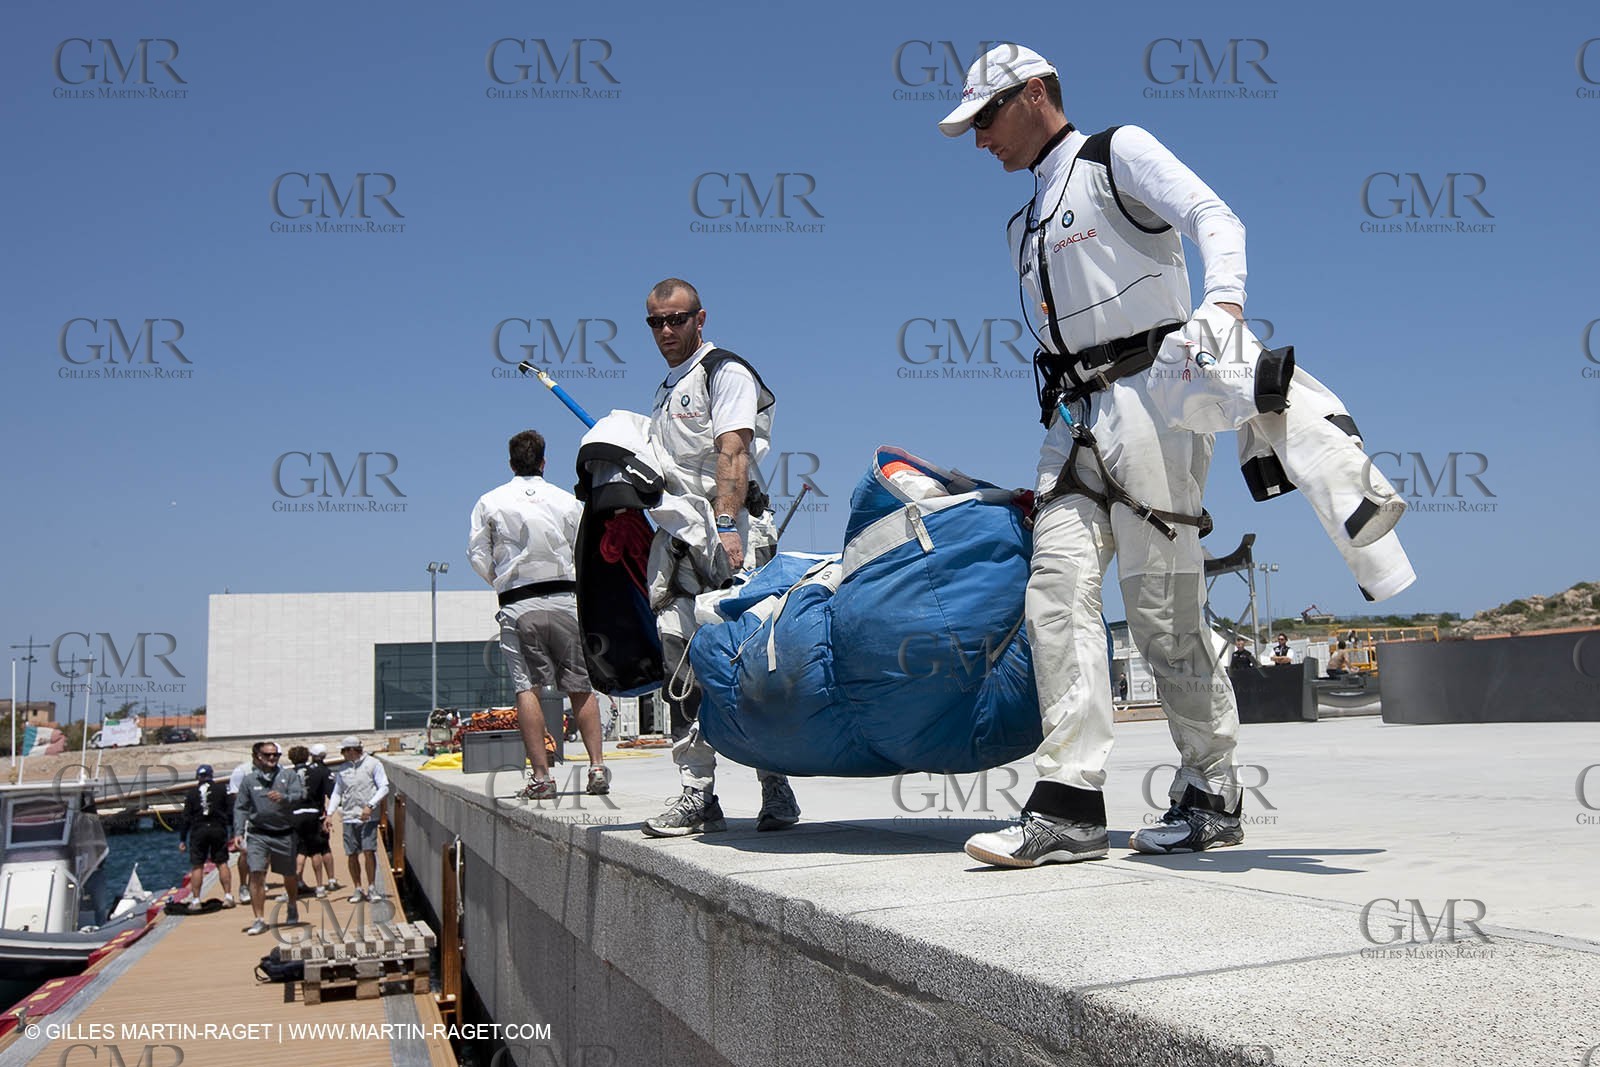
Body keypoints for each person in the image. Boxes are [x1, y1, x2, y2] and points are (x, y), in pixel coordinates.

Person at [942, 44, 1257, 866]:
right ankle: (1070, 802)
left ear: (1034, 93)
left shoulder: (1116, 155)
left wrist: (1224, 304)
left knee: (1160, 610)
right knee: (1055, 595)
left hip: (1155, 397)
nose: (980, 140)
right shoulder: (1023, 221)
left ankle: (1213, 788)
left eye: (986, 117)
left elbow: (1215, 216)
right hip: (1072, 417)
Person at [638, 278, 800, 837]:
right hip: (680, 546)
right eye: (656, 321)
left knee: (750, 661)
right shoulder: (665, 391)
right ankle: (697, 794)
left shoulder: (724, 372)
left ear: (700, 319)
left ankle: (775, 783)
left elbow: (734, 449)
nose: (666, 330)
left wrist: (728, 527)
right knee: (679, 666)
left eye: (676, 319)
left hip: (734, 535)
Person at [469, 429, 611, 800]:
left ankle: (542, 777)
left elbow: (478, 554)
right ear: (544, 462)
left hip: (519, 601)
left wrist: (502, 582)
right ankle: (597, 767)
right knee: (580, 685)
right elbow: (585, 548)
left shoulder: (490, 501)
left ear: (511, 463)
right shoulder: (567, 502)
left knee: (526, 688)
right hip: (565, 598)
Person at [231, 740, 303, 935]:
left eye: (275, 755)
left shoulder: (288, 775)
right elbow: (241, 807)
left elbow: (300, 795)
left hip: (284, 833)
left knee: (289, 874)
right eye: (268, 755)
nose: (272, 758)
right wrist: (238, 832)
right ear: (258, 757)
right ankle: (259, 919)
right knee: (256, 873)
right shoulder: (249, 780)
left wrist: (285, 798)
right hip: (258, 834)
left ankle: (292, 904)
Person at [325, 736, 390, 903]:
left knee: (369, 851)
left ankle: (372, 887)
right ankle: (358, 888)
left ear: (352, 750)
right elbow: (337, 792)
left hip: (368, 817)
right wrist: (330, 813)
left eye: (344, 750)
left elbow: (384, 787)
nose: (342, 754)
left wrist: (370, 805)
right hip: (349, 816)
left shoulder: (373, 764)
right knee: (351, 853)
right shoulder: (343, 768)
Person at [177, 764, 234, 909]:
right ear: (211, 775)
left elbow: (186, 817)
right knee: (222, 862)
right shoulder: (222, 789)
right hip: (217, 828)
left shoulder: (191, 793)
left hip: (199, 829)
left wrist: (182, 839)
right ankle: (228, 896)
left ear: (198, 777)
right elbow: (230, 811)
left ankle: (196, 900)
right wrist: (233, 829)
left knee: (198, 865)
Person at [289, 744, 337, 898]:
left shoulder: (287, 774)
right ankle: (321, 885)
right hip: (314, 813)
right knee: (318, 849)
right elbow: (331, 792)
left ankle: (296, 882)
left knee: (300, 851)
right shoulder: (318, 771)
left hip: (295, 814)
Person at [225, 758, 253, 903]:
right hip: (248, 818)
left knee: (265, 854)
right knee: (245, 852)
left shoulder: (277, 770)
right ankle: (243, 885)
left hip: (267, 818)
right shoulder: (241, 771)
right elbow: (235, 796)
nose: (272, 758)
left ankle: (256, 882)